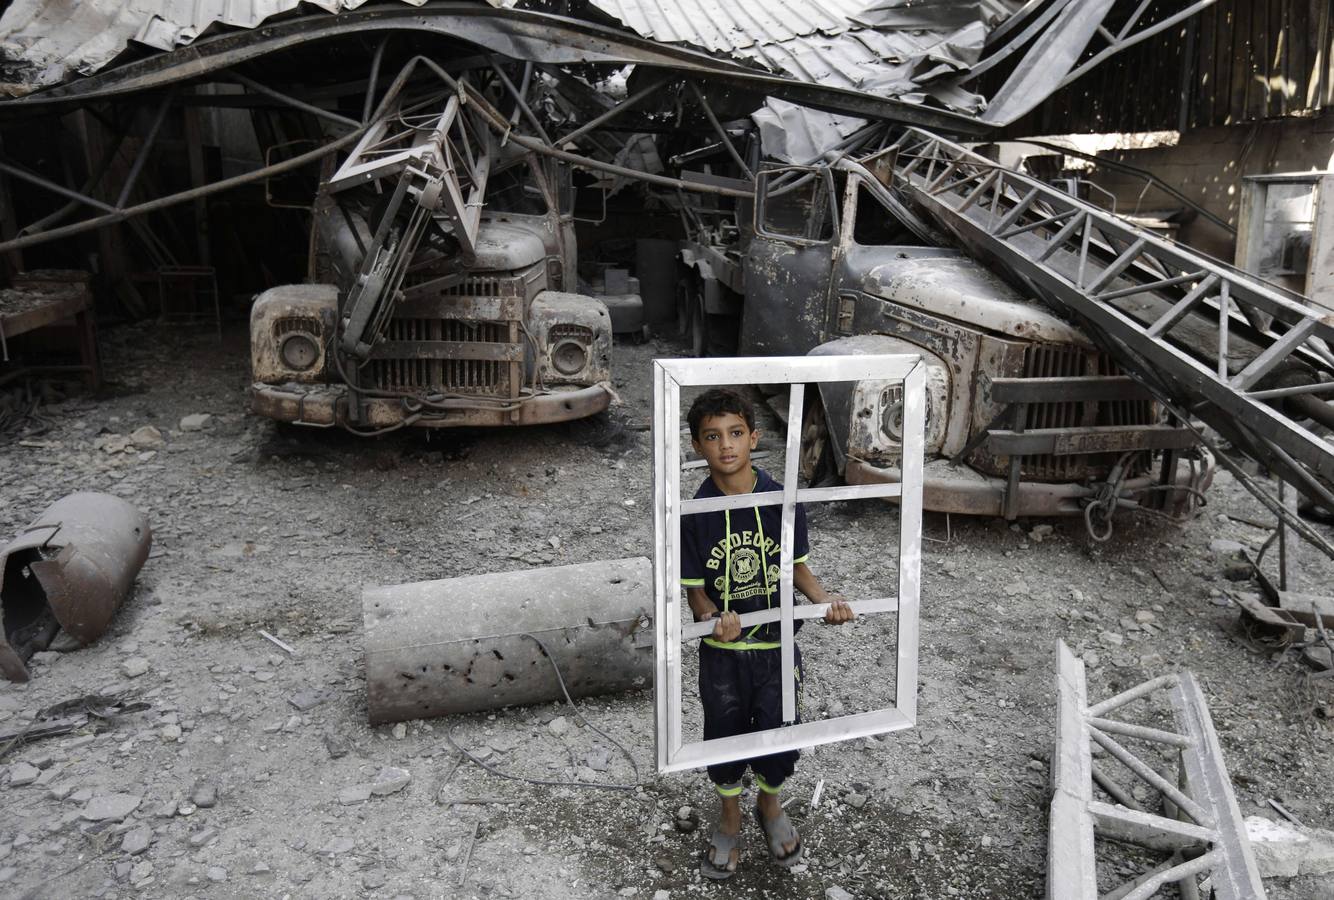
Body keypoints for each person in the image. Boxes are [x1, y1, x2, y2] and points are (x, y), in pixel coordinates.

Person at [680, 387, 854, 880]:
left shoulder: (782, 498)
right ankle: (731, 815)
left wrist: (823, 603)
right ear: (697, 446)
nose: (726, 446)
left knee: (780, 732)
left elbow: (798, 568)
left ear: (754, 437)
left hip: (778, 645)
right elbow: (695, 594)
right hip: (723, 653)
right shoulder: (694, 514)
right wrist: (715, 617)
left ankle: (770, 806)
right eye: (712, 437)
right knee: (726, 733)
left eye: (736, 433)